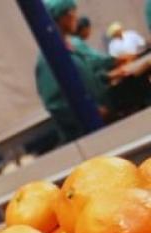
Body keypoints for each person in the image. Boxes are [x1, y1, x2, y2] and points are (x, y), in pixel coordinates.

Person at [35, 0, 118, 142]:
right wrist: (92, 112)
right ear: (62, 17)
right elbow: (55, 104)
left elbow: (86, 78)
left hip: (100, 126)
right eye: (72, 12)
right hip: (84, 136)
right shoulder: (49, 59)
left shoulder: (70, 47)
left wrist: (106, 77)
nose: (76, 17)